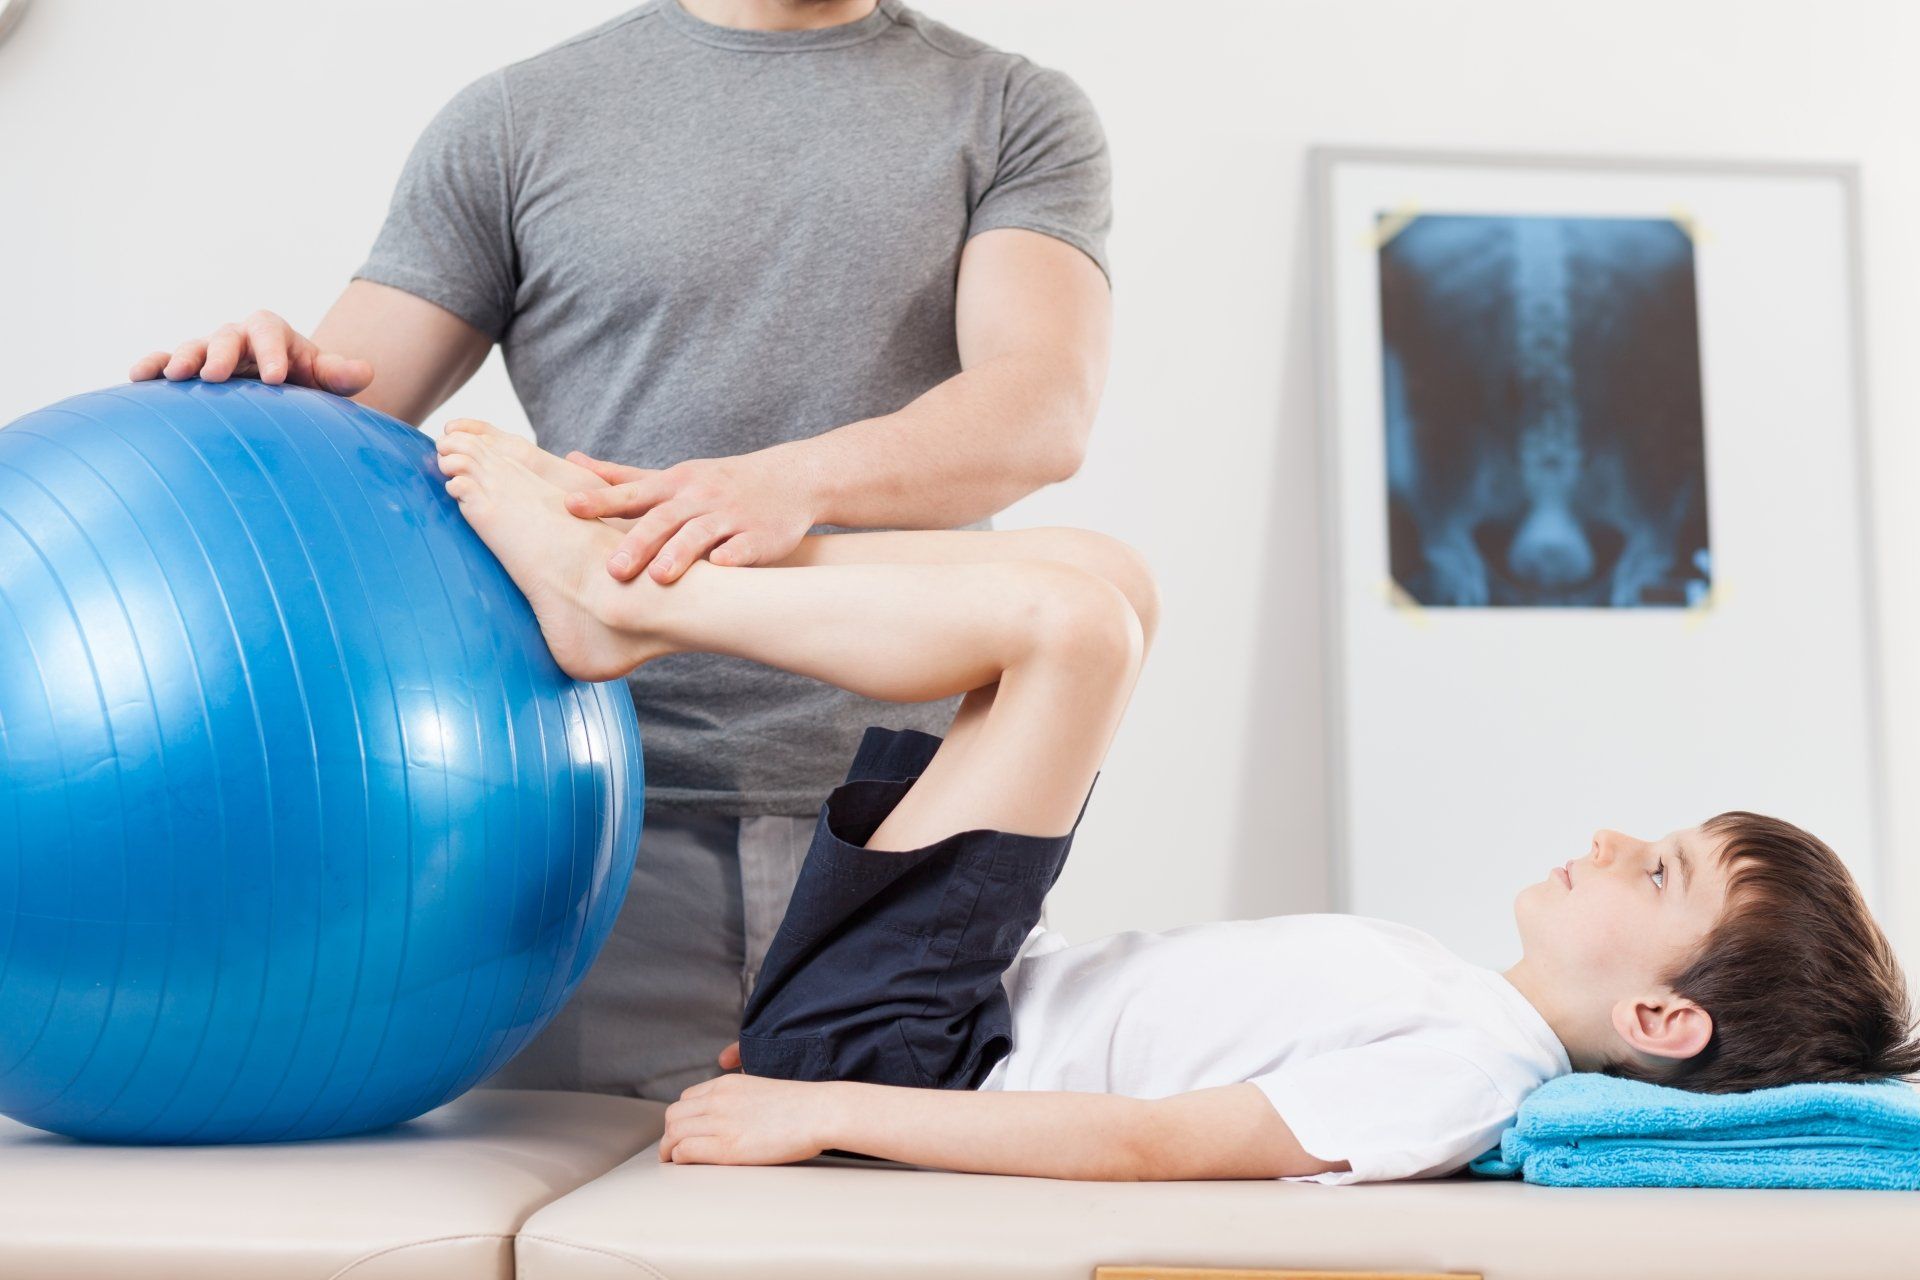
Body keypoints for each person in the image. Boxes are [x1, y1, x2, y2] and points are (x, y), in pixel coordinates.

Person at [433, 417, 1920, 1183]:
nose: (1609, 841)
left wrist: (811, 1109)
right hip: (928, 1007)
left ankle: (621, 604)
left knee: (1073, 634)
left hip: (912, 1056)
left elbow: (1151, 1147)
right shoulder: (1461, 996)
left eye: (1656, 876)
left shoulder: (1468, 1080)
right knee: (1103, 579)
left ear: (1665, 1021)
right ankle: (638, 570)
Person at [127, 0, 1112, 1101]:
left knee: (879, 1234)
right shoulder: (516, 120)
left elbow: (1040, 408)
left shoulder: (1011, 107)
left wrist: (790, 481)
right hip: (593, 824)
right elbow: (342, 428)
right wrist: (259, 384)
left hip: (908, 822)